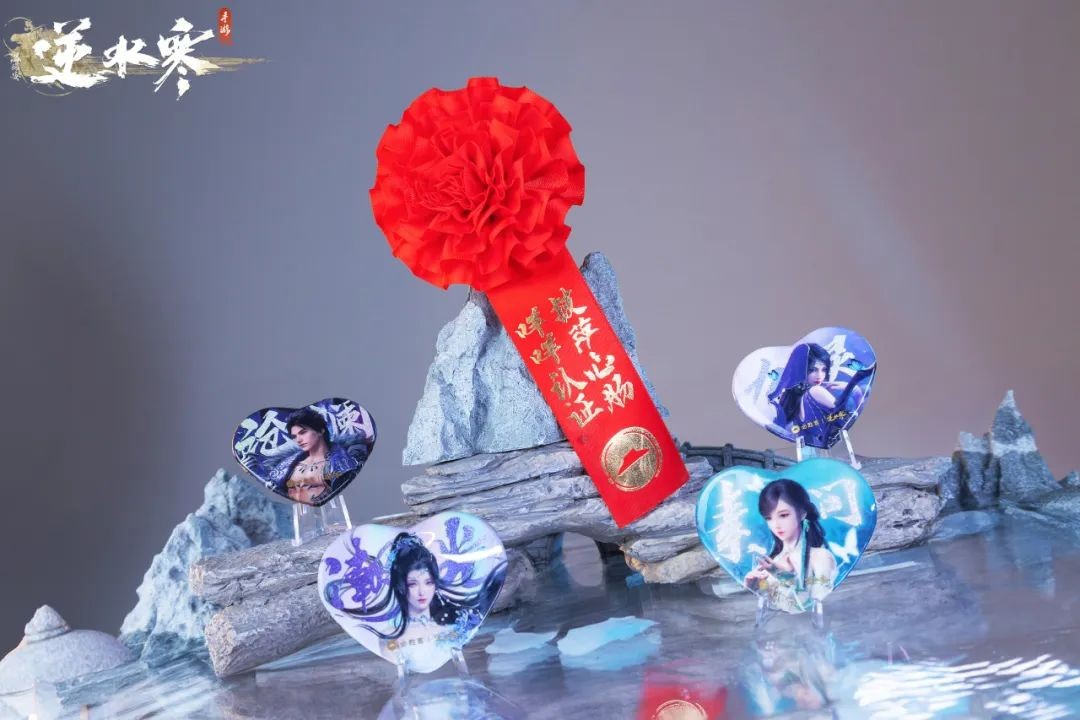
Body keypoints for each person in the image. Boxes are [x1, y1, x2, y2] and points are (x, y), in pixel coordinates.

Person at [333, 532, 506, 673]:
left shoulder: (454, 624)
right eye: (413, 584)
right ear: (401, 586)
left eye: (428, 582)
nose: (422, 592)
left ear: (435, 583)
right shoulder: (389, 636)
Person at [743, 479, 837, 613]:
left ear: (802, 513)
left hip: (809, 625)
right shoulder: (773, 561)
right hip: (778, 626)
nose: (776, 525)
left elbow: (813, 605)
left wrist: (784, 576)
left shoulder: (820, 557)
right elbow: (775, 606)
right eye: (769, 518)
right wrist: (756, 587)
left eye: (783, 515)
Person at [767, 343, 869, 447]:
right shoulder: (816, 391)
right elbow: (850, 415)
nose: (820, 376)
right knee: (865, 388)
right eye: (813, 370)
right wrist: (855, 389)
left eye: (824, 370)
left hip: (823, 446)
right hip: (834, 445)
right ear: (801, 370)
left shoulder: (795, 402)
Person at [268, 407, 364, 504]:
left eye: (303, 432)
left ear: (320, 430)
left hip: (334, 509)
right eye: (294, 436)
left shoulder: (345, 462)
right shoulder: (286, 466)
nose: (298, 440)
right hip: (295, 511)